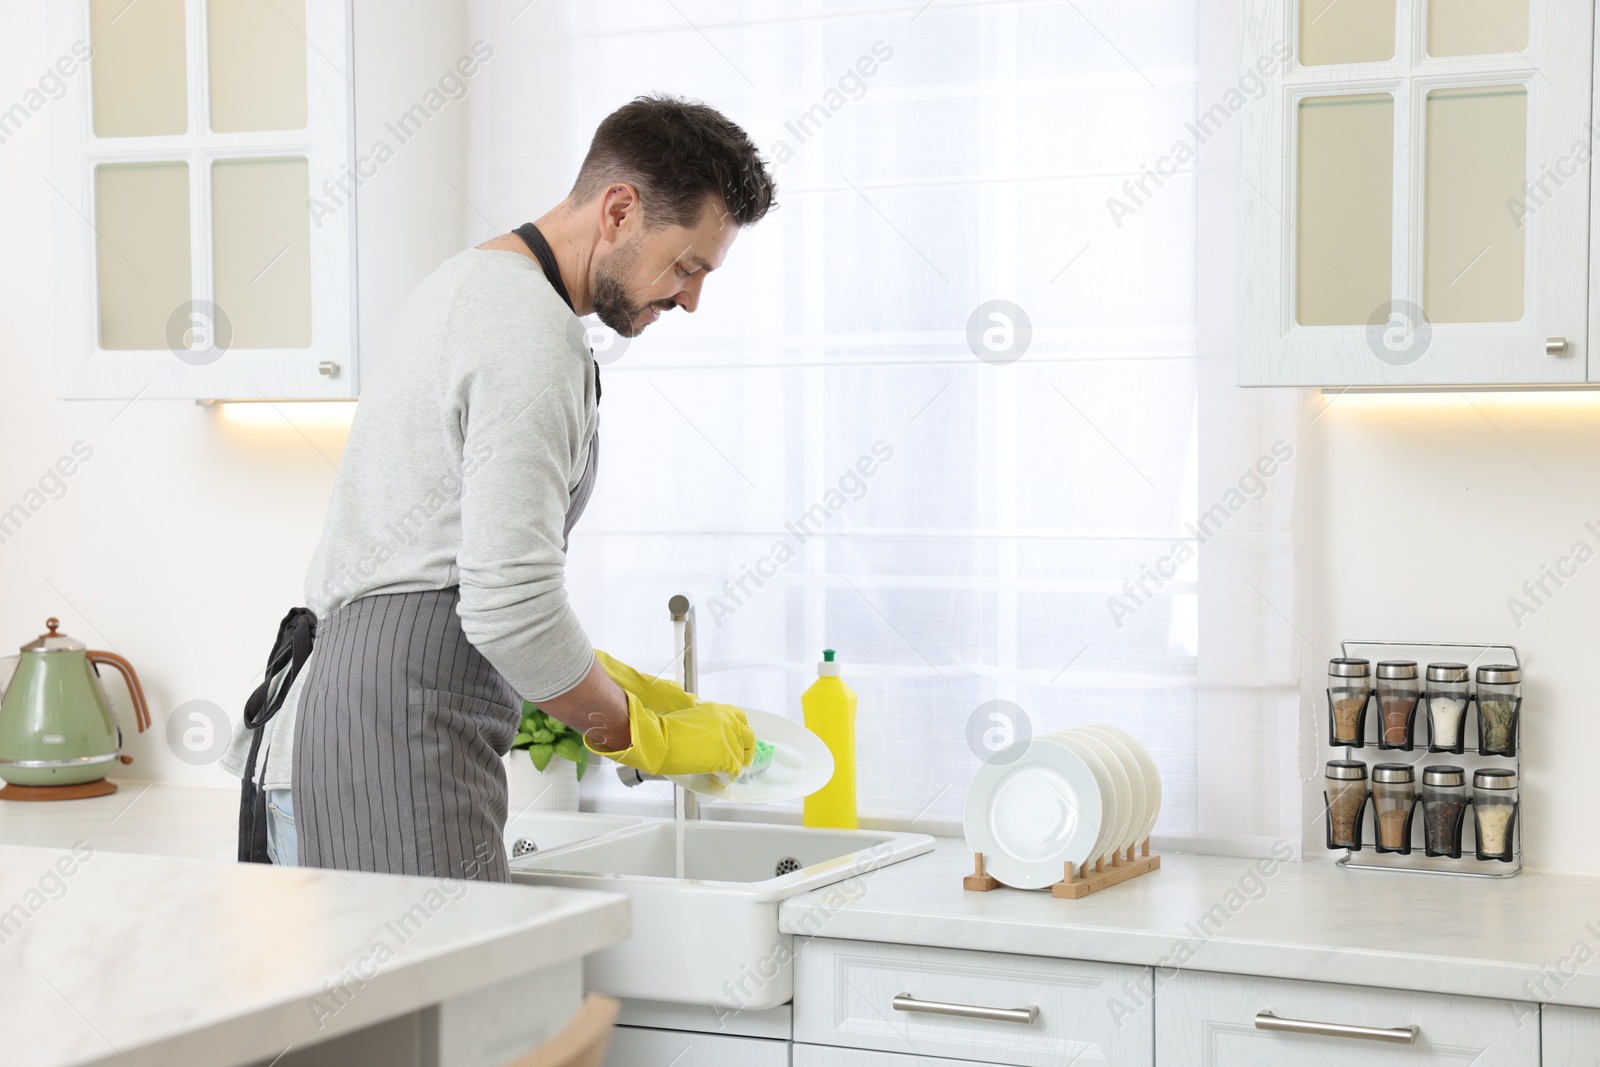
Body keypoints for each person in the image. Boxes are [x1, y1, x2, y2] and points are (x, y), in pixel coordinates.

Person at [223, 95, 777, 882]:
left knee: (393, 1004)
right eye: (687, 265)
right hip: (394, 728)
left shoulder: (472, 288)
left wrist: (617, 681)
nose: (689, 297)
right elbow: (508, 604)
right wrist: (637, 734)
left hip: (347, 723)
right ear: (620, 210)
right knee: (438, 1000)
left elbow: (450, 566)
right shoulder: (530, 331)